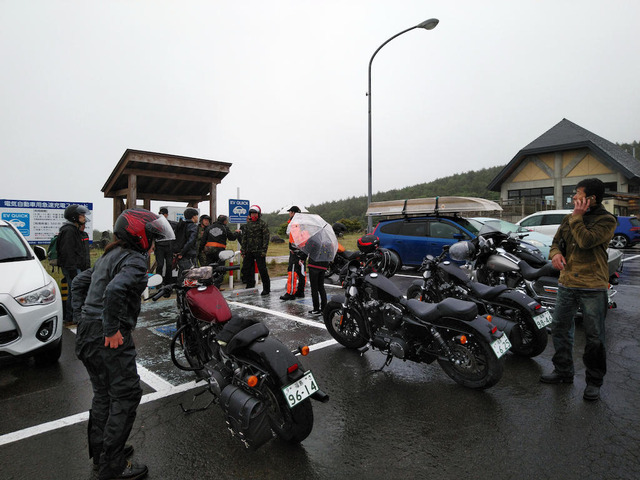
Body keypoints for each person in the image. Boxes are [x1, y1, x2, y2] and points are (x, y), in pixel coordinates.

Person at [71, 208, 174, 480]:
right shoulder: (135, 260)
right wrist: (111, 328)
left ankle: (103, 453)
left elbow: (80, 283)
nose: (153, 242)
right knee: (126, 395)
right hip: (107, 338)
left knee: (104, 396)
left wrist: (82, 317)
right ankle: (112, 467)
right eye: (152, 236)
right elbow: (115, 290)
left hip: (87, 335)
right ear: (139, 235)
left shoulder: (109, 255)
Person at [539, 178, 617, 401]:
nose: (574, 198)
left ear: (591, 199)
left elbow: (585, 240)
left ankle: (594, 382)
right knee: (560, 328)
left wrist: (577, 217)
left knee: (595, 337)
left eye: (578, 195)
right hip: (566, 283)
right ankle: (563, 371)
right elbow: (556, 242)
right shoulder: (569, 219)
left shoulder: (606, 220)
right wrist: (555, 254)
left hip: (593, 286)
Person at [57, 204, 91, 324]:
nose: (84, 217)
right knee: (75, 291)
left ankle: (73, 316)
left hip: (77, 266)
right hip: (72, 267)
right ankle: (71, 317)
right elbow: (67, 252)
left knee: (75, 290)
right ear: (74, 217)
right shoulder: (69, 231)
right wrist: (71, 270)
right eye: (81, 215)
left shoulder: (74, 230)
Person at [241, 205, 270, 295]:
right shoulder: (247, 225)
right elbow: (244, 238)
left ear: (258, 214)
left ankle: (266, 288)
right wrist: (243, 250)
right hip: (249, 251)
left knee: (262, 270)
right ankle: (250, 286)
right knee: (247, 269)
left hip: (259, 251)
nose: (253, 215)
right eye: (252, 213)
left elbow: (266, 238)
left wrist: (263, 251)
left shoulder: (263, 224)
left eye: (255, 214)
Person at [280, 206, 307, 301]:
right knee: (301, 272)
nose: (289, 214)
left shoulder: (294, 224)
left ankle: (290, 293)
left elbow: (293, 238)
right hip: (303, 251)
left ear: (293, 213)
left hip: (295, 252)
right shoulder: (303, 223)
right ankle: (300, 291)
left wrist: (294, 249)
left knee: (292, 271)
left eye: (290, 212)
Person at [175, 207, 199, 279]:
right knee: (193, 273)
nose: (197, 217)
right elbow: (190, 241)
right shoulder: (193, 227)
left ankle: (179, 288)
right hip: (189, 253)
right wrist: (182, 252)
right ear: (193, 217)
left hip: (178, 252)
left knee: (182, 272)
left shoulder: (181, 225)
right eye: (197, 216)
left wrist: (179, 252)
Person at [154, 207, 175, 285]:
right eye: (160, 214)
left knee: (169, 265)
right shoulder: (156, 224)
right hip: (159, 247)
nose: (162, 216)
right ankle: (158, 283)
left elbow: (179, 225)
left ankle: (168, 282)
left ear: (166, 215)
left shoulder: (171, 223)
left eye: (163, 214)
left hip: (169, 247)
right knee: (160, 265)